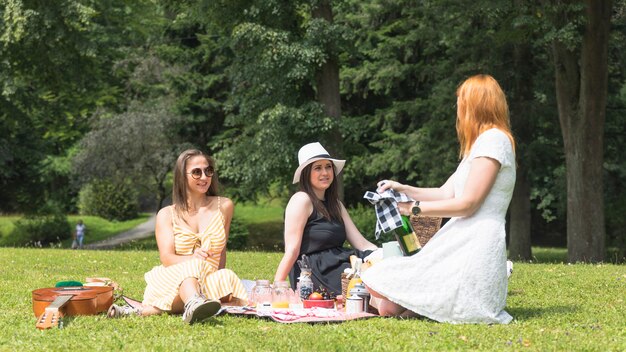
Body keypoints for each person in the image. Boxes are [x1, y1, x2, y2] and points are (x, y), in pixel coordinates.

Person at [361, 74, 516, 324]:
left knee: (386, 298)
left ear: (475, 104)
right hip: (459, 238)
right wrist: (404, 188)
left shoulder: (494, 141)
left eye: (460, 101)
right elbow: (445, 193)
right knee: (381, 291)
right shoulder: (478, 146)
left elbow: (468, 204)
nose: (457, 108)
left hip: (476, 242)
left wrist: (413, 209)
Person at [108, 149, 248, 324]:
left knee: (226, 276)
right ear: (182, 176)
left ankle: (143, 310)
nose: (204, 177)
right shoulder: (166, 214)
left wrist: (215, 280)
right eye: (197, 172)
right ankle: (193, 302)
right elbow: (166, 258)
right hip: (171, 278)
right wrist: (193, 258)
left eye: (208, 171)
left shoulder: (224, 206)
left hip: (207, 277)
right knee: (192, 270)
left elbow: (222, 250)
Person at [274, 142, 379, 296]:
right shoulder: (301, 200)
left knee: (381, 274)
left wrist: (382, 255)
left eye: (328, 167)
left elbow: (361, 243)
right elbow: (292, 249)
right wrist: (278, 283)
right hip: (315, 272)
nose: (325, 172)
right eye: (318, 168)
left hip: (342, 263)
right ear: (306, 173)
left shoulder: (336, 204)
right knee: (369, 288)